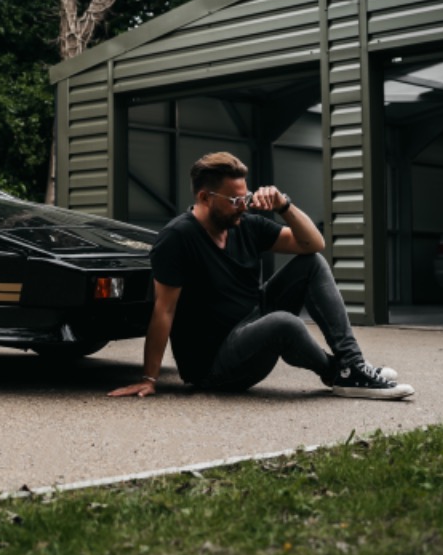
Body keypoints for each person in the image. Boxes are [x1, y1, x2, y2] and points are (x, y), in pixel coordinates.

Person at [109, 151, 413, 400]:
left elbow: (313, 243)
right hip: (216, 363)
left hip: (253, 320)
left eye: (246, 198)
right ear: (205, 197)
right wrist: (149, 378)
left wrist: (284, 206)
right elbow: (164, 310)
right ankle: (339, 373)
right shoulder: (176, 238)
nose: (243, 207)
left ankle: (352, 364)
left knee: (312, 263)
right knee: (284, 322)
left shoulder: (245, 225)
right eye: (235, 201)